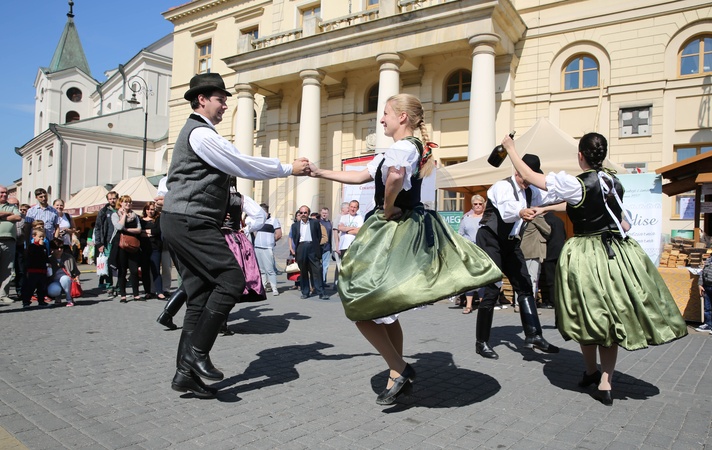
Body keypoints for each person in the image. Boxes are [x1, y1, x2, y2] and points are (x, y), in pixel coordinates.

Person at [308, 93, 501, 405]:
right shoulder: (406, 148)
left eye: (385, 113)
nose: (381, 119)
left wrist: (386, 208)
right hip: (400, 230)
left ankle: (400, 367)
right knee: (386, 311)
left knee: (359, 303)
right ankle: (396, 373)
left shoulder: (402, 148)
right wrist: (319, 172)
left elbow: (395, 177)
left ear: (402, 117)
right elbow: (359, 175)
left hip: (391, 230)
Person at [503, 131, 688, 405]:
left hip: (588, 256)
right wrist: (547, 209)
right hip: (617, 255)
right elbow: (609, 215)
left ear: (580, 155)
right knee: (611, 317)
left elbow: (531, 176)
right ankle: (604, 380)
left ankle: (592, 371)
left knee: (587, 314)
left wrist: (510, 149)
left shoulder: (577, 182)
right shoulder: (611, 181)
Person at [160, 72, 310, 399]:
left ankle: (185, 375)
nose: (225, 105)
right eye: (220, 99)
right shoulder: (201, 134)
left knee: (199, 295)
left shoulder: (200, 133)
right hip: (190, 220)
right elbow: (242, 164)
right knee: (231, 280)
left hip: (183, 219)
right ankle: (196, 354)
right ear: (202, 99)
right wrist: (288, 168)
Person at [473, 152, 559, 360]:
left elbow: (551, 197)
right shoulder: (502, 186)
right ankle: (482, 342)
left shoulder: (532, 191)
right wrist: (521, 212)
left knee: (525, 285)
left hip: (511, 242)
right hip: (491, 238)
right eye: (527, 175)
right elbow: (507, 209)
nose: (529, 180)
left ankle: (534, 335)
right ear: (518, 172)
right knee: (492, 288)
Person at [457, 194, 486, 314]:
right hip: (469, 251)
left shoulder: (487, 218)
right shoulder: (466, 218)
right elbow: (460, 234)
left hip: (483, 251)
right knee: (470, 277)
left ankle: (483, 304)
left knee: (483, 278)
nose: (478, 206)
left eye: (480, 204)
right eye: (475, 204)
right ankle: (468, 305)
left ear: (483, 205)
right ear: (472, 205)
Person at [290, 206, 327, 299]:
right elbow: (295, 238)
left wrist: (316, 246)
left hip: (312, 247)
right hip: (301, 247)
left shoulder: (314, 223)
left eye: (305, 213)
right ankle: (305, 292)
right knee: (303, 271)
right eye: (301, 213)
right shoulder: (295, 226)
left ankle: (321, 292)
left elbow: (318, 236)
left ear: (308, 213)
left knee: (317, 270)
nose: (303, 214)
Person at [111, 195, 142, 303]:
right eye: (125, 202)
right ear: (121, 203)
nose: (128, 204)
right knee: (122, 270)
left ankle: (136, 294)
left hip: (132, 245)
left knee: (134, 270)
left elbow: (139, 229)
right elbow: (119, 227)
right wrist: (124, 214)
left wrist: (127, 229)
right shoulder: (115, 215)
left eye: (129, 202)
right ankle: (123, 295)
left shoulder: (134, 215)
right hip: (121, 245)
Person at [516, 214, 550, 313]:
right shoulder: (536, 217)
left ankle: (518, 304)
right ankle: (530, 306)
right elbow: (548, 230)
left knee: (521, 277)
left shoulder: (521, 216)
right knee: (532, 279)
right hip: (533, 251)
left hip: (522, 250)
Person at [253, 203, 282, 296]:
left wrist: (271, 241)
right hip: (257, 247)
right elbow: (254, 232)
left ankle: (274, 288)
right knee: (261, 269)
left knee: (270, 269)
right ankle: (264, 286)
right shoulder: (258, 220)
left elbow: (279, 234)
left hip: (268, 248)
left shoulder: (273, 220)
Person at [94, 191, 119, 296]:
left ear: (117, 198)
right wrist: (99, 243)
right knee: (108, 264)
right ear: (108, 200)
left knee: (120, 264)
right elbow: (98, 227)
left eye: (114, 198)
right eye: (110, 199)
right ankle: (109, 285)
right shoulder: (103, 211)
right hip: (107, 242)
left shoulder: (121, 210)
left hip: (120, 241)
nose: (112, 200)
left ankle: (119, 286)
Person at [538, 212, 565, 309]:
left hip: (549, 252)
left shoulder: (545, 221)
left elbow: (546, 235)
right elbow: (564, 235)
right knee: (560, 278)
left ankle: (552, 301)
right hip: (560, 251)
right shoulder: (559, 220)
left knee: (550, 279)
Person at [139, 202, 165, 300]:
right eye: (148, 209)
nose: (150, 211)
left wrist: (145, 232)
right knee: (145, 271)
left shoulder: (158, 219)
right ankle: (148, 292)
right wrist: (150, 233)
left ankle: (159, 292)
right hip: (144, 249)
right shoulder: (141, 220)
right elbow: (139, 232)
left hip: (155, 248)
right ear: (145, 210)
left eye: (152, 209)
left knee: (156, 271)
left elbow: (157, 231)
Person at [0, 186, 21, 304]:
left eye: (6, 192)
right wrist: (8, 214)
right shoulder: (10, 209)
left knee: (7, 268)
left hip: (9, 240)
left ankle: (3, 295)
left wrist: (2, 216)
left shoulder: (12, 206)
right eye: (2, 192)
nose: (4, 194)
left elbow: (17, 217)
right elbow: (12, 216)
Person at [47, 238, 81, 307]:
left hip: (68, 280)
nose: (60, 249)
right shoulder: (49, 259)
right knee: (53, 290)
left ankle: (69, 299)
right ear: (52, 249)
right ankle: (58, 297)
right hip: (55, 281)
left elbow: (75, 271)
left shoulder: (69, 257)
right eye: (57, 248)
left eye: (61, 247)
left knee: (65, 279)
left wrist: (77, 279)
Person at [22, 228, 49, 308]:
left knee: (42, 287)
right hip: (33, 270)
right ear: (34, 236)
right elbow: (34, 256)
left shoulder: (44, 247)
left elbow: (45, 257)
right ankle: (26, 302)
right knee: (30, 287)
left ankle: (41, 301)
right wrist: (40, 247)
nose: (42, 239)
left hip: (42, 270)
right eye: (40, 237)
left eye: (43, 237)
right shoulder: (32, 247)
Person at [318, 207, 333, 286]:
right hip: (319, 248)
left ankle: (323, 281)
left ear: (328, 214)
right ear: (320, 213)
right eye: (323, 213)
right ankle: (319, 281)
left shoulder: (330, 223)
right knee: (319, 266)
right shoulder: (317, 222)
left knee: (325, 266)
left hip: (327, 248)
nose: (324, 214)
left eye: (326, 213)